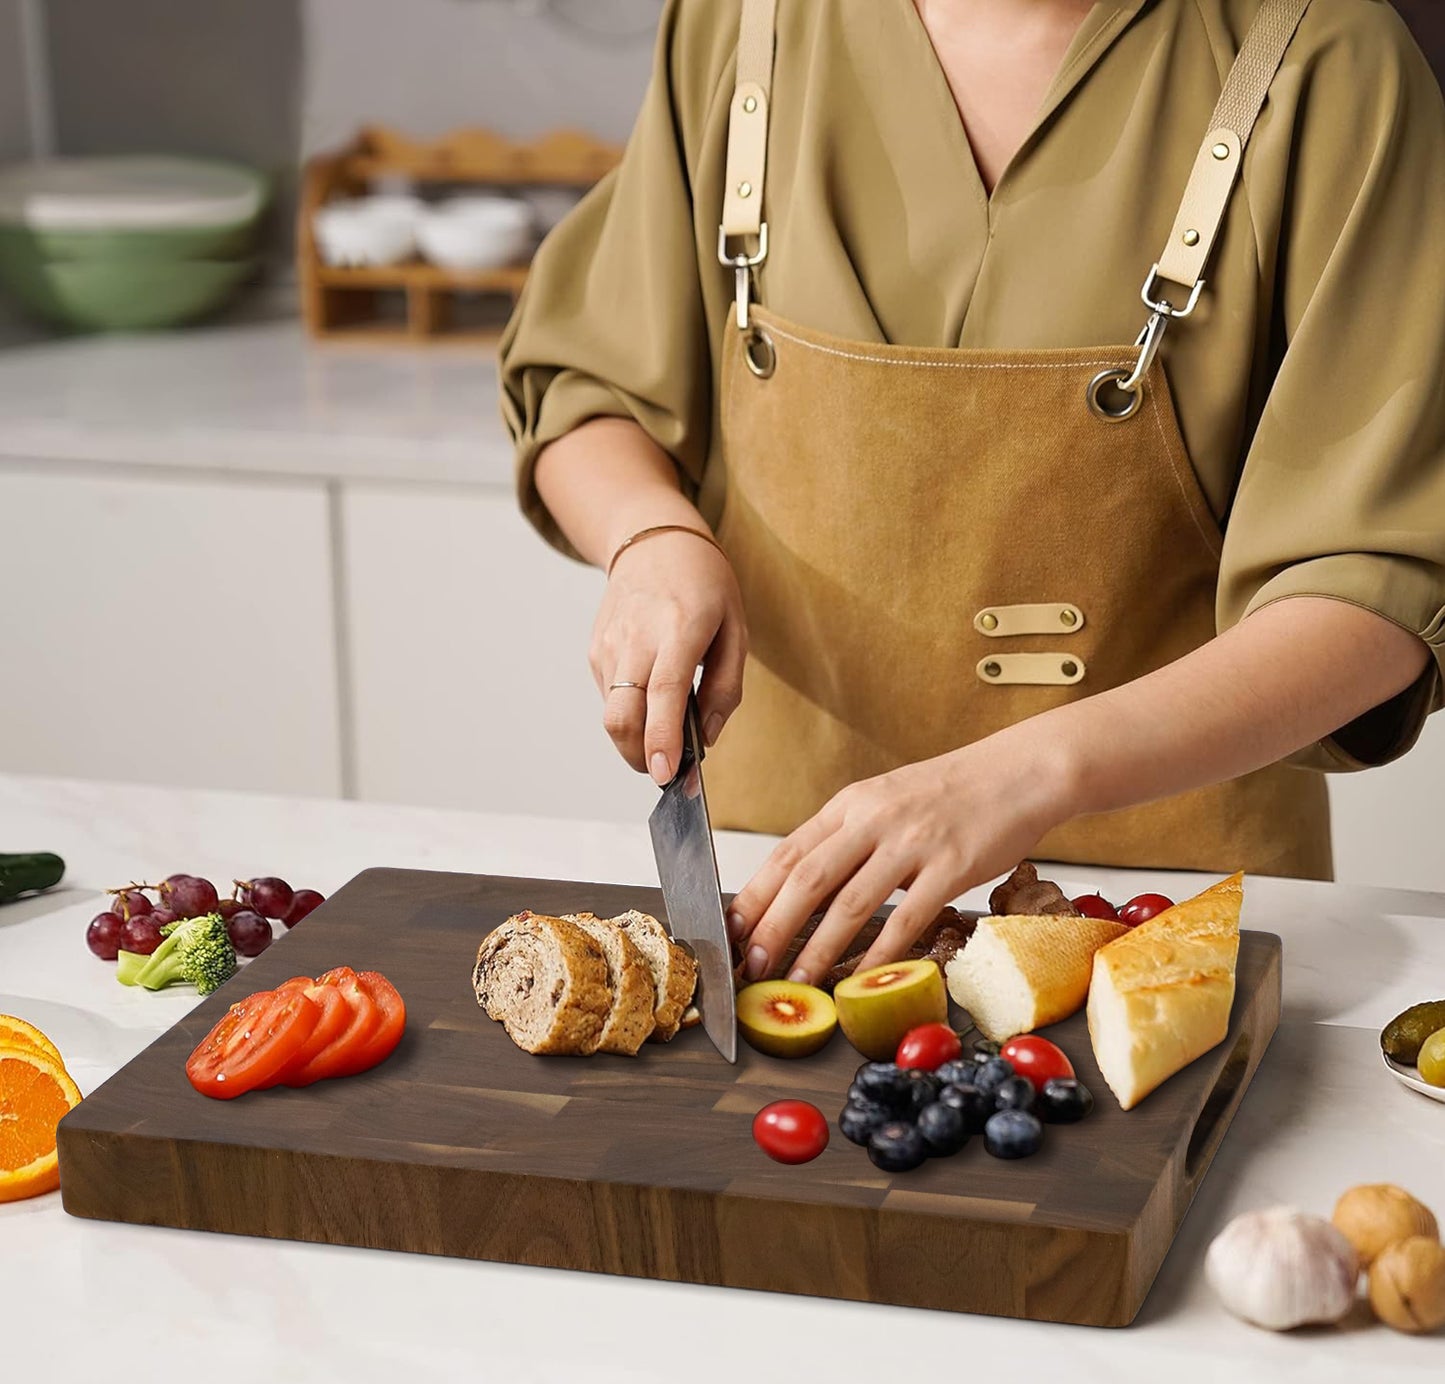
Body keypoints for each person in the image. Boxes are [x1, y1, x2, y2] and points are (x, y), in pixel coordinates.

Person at [499, 0, 1445, 986]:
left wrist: (1024, 775)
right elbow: (584, 383)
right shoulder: (742, 21)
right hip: (776, 898)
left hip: (1161, 919)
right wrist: (648, 538)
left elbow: (1379, 581)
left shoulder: (1325, 53)